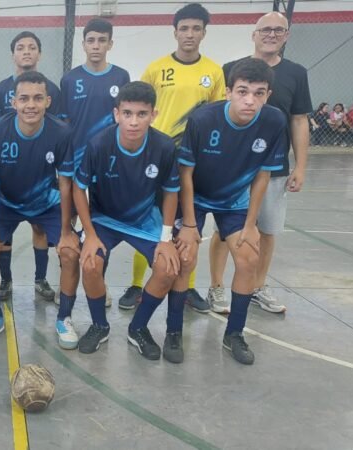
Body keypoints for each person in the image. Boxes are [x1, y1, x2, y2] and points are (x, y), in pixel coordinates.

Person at [177, 58, 287, 365]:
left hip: (234, 202)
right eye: (243, 91)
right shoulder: (203, 119)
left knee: (248, 257)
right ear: (228, 92)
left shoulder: (275, 122)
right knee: (184, 258)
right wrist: (188, 222)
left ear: (268, 95)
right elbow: (184, 174)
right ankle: (174, 330)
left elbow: (263, 176)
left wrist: (251, 224)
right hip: (196, 196)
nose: (250, 100)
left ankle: (234, 333)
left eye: (259, 93)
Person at [120, 3, 224, 313]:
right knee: (148, 220)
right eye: (184, 28)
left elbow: (216, 118)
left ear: (204, 33)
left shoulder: (213, 72)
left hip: (194, 161)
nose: (189, 34)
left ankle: (188, 287)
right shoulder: (156, 68)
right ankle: (138, 284)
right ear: (175, 32)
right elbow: (139, 107)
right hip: (157, 157)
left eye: (196, 29)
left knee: (190, 223)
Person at [211, 11, 311, 314]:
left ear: (286, 36)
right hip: (235, 168)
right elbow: (219, 115)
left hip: (274, 167)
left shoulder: (296, 73)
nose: (271, 34)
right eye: (265, 29)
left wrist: (301, 165)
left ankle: (257, 285)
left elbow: (299, 120)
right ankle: (216, 287)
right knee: (226, 229)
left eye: (278, 30)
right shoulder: (231, 69)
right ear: (253, 34)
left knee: (267, 230)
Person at [75, 82, 182, 358]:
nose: (134, 121)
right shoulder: (98, 144)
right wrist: (89, 233)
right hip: (105, 219)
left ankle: (138, 327)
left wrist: (167, 238)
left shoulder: (164, 146)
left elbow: (171, 193)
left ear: (153, 115)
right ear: (116, 114)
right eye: (128, 113)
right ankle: (100, 325)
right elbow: (78, 188)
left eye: (142, 114)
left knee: (168, 269)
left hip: (146, 220)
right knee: (89, 264)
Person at [0, 71, 79, 348]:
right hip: (7, 203)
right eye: (24, 98)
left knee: (70, 252)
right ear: (13, 102)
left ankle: (64, 318)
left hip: (47, 204)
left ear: (47, 101)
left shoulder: (62, 132)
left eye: (37, 98)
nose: (30, 105)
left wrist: (67, 229)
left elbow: (66, 182)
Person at [60, 18, 130, 307]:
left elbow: (126, 119)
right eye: (91, 40)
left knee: (100, 224)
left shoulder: (121, 77)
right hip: (76, 163)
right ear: (84, 44)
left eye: (102, 40)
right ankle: (67, 283)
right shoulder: (70, 79)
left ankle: (98, 281)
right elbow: (64, 124)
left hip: (108, 165)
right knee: (70, 224)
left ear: (110, 44)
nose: (96, 46)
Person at [0, 30, 62, 303]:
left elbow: (58, 132)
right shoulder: (0, 89)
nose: (26, 52)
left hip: (41, 175)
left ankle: (40, 278)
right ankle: (6, 279)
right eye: (20, 47)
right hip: (9, 172)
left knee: (40, 228)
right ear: (13, 55)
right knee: (4, 233)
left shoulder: (51, 88)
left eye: (32, 47)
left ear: (39, 54)